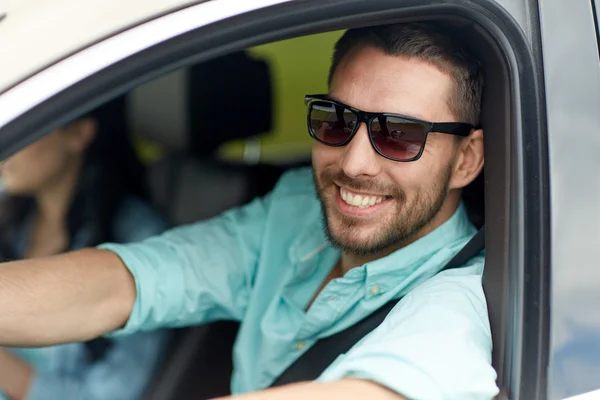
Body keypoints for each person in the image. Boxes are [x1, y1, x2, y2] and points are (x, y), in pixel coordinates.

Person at [0, 22, 499, 399]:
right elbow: (129, 281)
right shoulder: (294, 213)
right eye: (335, 121)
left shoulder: (454, 306)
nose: (354, 161)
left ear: (466, 160)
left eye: (400, 135)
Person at [0, 97, 169, 400]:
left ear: (79, 134)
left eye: (27, 124)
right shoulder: (14, 215)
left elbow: (110, 395)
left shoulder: (138, 240)